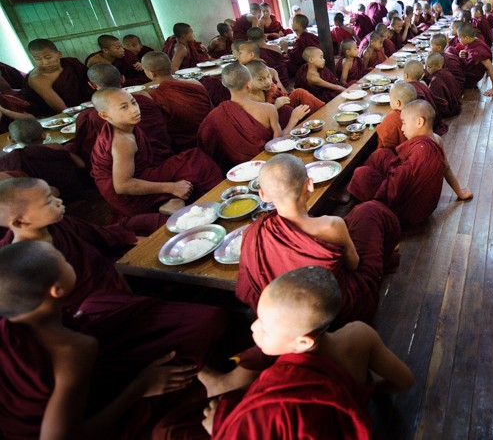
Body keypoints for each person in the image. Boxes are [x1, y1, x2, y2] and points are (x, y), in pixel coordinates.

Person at [0, 240, 227, 439]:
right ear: (57, 290)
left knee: (101, 300)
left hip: (83, 353)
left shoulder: (11, 323)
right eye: (64, 262)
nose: (70, 262)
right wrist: (140, 386)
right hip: (93, 419)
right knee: (204, 326)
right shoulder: (72, 350)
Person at [203, 266, 413, 439]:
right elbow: (404, 381)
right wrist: (364, 392)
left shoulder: (284, 391)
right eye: (258, 318)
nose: (253, 327)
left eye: (265, 327)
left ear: (303, 342)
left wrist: (220, 426)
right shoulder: (360, 334)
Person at [236, 154, 402, 325]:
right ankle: (386, 259)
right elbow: (354, 264)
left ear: (263, 195)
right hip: (335, 310)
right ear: (309, 185)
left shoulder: (253, 233)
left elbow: (249, 289)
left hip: (287, 317)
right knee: (371, 210)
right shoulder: (331, 226)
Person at [0, 177, 130, 312]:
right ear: (19, 222)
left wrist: (136, 241)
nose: (59, 201)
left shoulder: (57, 224)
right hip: (90, 305)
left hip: (109, 271)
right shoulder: (18, 264)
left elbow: (103, 236)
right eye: (49, 201)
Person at [89, 88, 222, 218]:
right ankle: (217, 200)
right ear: (105, 115)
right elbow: (122, 186)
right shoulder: (122, 142)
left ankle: (169, 201)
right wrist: (172, 187)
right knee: (196, 160)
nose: (134, 109)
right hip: (128, 196)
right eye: (124, 107)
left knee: (191, 159)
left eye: (133, 102)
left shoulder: (122, 126)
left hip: (135, 174)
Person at [347, 100, 454, 226]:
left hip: (407, 212)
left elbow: (395, 190)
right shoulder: (435, 140)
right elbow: (445, 168)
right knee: (382, 154)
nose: (402, 128)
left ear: (419, 122)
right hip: (423, 206)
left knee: (361, 174)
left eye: (404, 123)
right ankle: (359, 192)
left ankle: (366, 202)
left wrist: (388, 179)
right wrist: (460, 193)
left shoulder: (421, 150)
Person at [198, 62, 299, 170]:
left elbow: (206, 145)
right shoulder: (268, 109)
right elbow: (278, 144)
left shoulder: (213, 116)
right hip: (266, 165)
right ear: (249, 83)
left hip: (236, 170)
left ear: (223, 83)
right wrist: (294, 119)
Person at [73, 63, 172, 170]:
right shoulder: (144, 99)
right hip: (163, 155)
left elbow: (89, 148)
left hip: (129, 168)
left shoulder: (91, 116)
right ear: (122, 79)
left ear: (92, 85)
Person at [141, 52, 212, 152]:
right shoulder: (195, 83)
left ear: (152, 73)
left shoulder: (154, 96)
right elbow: (211, 109)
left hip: (185, 146)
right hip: (210, 135)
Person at [0, 119, 84, 201]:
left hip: (43, 201)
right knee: (70, 146)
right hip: (72, 192)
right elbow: (81, 164)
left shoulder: (11, 159)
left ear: (11, 140)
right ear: (43, 135)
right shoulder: (55, 147)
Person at [23, 38, 93, 116]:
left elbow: (93, 83)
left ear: (59, 54)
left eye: (48, 57)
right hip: (57, 115)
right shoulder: (37, 78)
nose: (45, 63)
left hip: (88, 105)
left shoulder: (71, 63)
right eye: (37, 59)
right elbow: (61, 109)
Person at [401, 64, 448, 134]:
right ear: (423, 75)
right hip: (431, 118)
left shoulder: (409, 90)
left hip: (424, 122)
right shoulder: (423, 85)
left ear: (406, 75)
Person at [454, 24, 493, 96]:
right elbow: (471, 53)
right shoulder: (474, 40)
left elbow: (490, 68)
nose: (458, 39)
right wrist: (466, 53)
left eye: (459, 37)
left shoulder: (479, 51)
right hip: (469, 70)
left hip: (471, 77)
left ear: (467, 38)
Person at [424, 52, 461, 117]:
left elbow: (436, 101)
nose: (427, 69)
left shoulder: (435, 81)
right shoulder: (447, 73)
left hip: (448, 110)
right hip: (455, 106)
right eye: (426, 66)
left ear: (439, 66)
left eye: (429, 67)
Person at [285, 14, 321, 79]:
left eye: (293, 22)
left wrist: (286, 49)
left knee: (283, 64)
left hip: (305, 66)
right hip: (315, 62)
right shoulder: (311, 35)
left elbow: (296, 59)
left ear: (298, 25)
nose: (291, 24)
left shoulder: (301, 40)